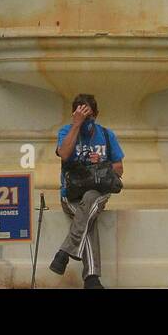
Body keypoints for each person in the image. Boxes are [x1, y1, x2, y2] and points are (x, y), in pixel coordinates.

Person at [49, 93, 124, 289]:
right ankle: (91, 278)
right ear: (74, 114)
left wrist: (102, 162)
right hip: (71, 195)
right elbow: (64, 154)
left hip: (98, 192)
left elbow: (119, 168)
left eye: (88, 117)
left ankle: (65, 253)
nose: (85, 122)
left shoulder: (107, 135)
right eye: (81, 116)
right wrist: (76, 125)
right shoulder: (66, 131)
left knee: (91, 198)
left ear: (96, 115)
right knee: (87, 219)